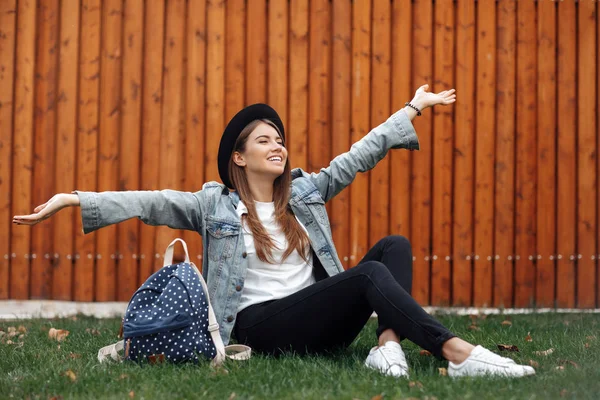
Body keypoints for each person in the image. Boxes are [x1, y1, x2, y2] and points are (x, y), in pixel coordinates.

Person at [13, 84, 534, 378]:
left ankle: (388, 345)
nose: (277, 144)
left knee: (391, 246)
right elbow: (149, 202)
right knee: (370, 272)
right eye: (264, 140)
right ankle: (457, 354)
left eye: (279, 138)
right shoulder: (211, 204)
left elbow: (358, 156)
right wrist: (73, 199)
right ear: (240, 157)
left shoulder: (304, 193)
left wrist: (413, 108)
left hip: (311, 316)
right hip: (257, 327)